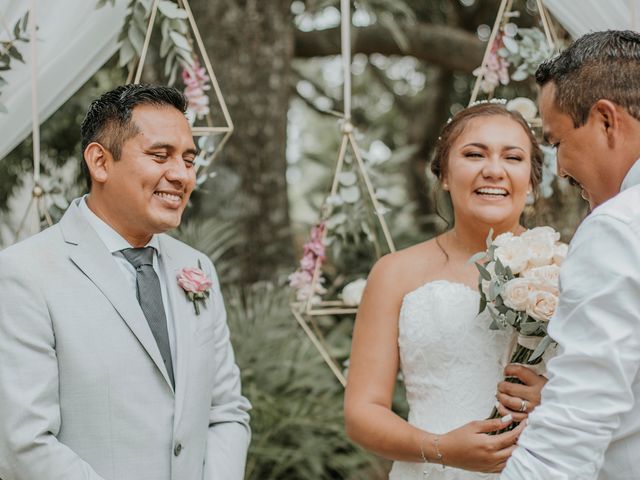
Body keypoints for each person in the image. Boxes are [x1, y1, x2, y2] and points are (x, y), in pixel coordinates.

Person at [0, 84, 251, 480]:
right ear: (100, 162)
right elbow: (24, 443)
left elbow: (226, 411)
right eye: (160, 155)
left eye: (188, 160)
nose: (181, 175)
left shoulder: (197, 266)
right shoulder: (23, 273)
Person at [344, 101, 548, 479]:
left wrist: (553, 400)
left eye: (513, 158)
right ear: (444, 175)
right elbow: (361, 413)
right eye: (474, 154)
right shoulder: (394, 273)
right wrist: (440, 448)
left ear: (532, 181)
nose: (493, 170)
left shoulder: (566, 269)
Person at [501, 30, 640, 480]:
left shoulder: (618, 226)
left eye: (556, 142)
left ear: (605, 120)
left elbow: (571, 432)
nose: (558, 169)